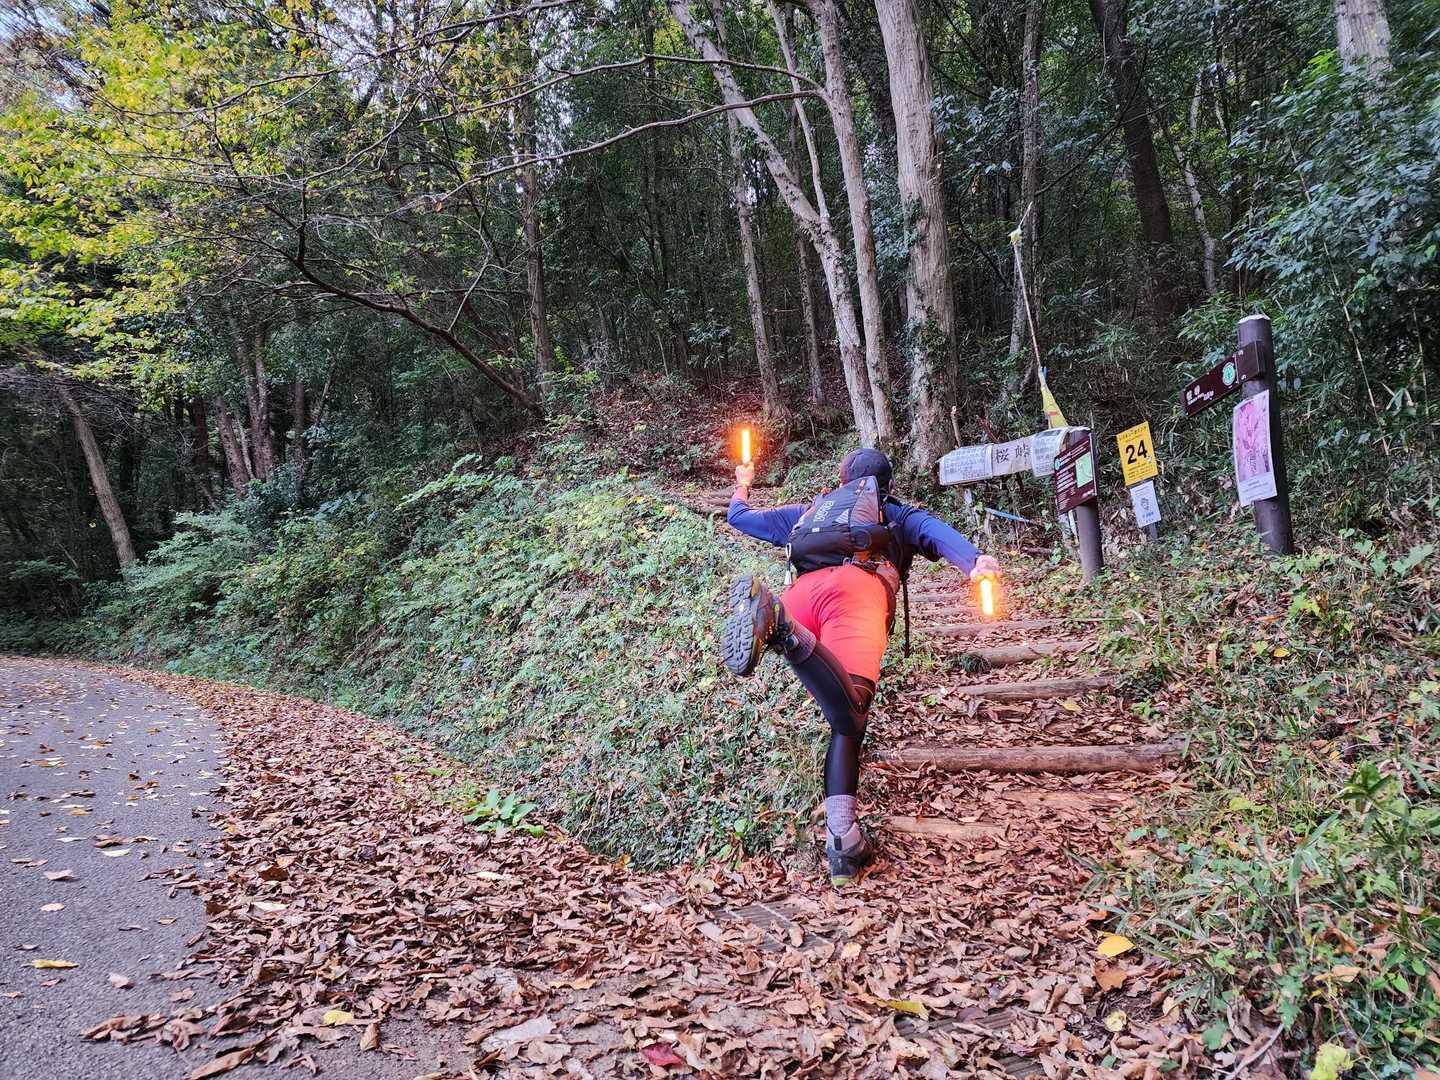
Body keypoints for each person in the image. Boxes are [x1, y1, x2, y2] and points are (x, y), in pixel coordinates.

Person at [721, 448, 1000, 886]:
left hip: (801, 596)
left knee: (846, 720)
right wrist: (975, 562)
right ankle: (783, 628)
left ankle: (845, 843)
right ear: (886, 485)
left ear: (841, 481)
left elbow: (739, 518)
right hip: (854, 593)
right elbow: (934, 532)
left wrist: (742, 484)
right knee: (851, 714)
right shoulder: (893, 512)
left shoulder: (813, 512)